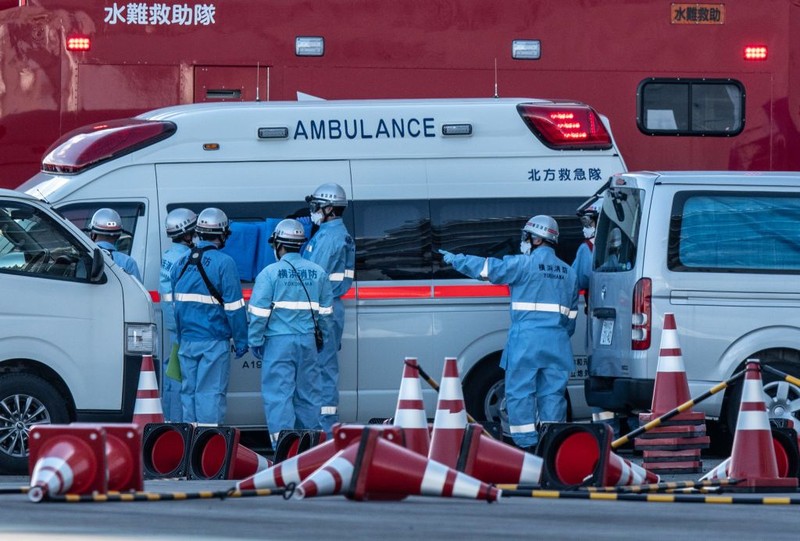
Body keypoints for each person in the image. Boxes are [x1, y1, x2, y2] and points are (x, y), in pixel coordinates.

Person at [439, 215, 578, 451]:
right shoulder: (569, 273)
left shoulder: (523, 265)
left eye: (526, 237)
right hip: (557, 344)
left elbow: (488, 269)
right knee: (553, 396)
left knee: (520, 393)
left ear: (536, 239)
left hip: (527, 342)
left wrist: (456, 260)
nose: (523, 241)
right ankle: (552, 446)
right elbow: (571, 318)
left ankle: (525, 446)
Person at [248, 219, 333, 447]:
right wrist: (321, 340)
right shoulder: (318, 273)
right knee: (309, 395)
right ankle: (310, 449)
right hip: (308, 343)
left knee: (279, 397)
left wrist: (255, 341)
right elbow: (326, 315)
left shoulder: (269, 274)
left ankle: (284, 450)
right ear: (301, 245)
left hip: (277, 344)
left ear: (277, 244)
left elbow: (258, 313)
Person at [170, 207, 248, 424]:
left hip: (186, 342)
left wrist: (180, 338)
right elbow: (234, 308)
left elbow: (176, 306)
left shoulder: (180, 263)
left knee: (189, 394)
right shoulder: (225, 263)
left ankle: (190, 448)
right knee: (210, 395)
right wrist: (241, 341)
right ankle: (209, 448)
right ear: (222, 234)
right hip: (213, 342)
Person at [301, 183, 355, 434]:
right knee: (324, 366)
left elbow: (313, 276)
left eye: (316, 206)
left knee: (322, 369)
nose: (313, 211)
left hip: (322, 310)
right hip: (328, 308)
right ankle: (324, 426)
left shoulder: (330, 237)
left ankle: (324, 429)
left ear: (330, 208)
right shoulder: (331, 233)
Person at [572, 200, 619, 433]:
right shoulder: (631, 245)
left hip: (599, 319)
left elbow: (577, 280)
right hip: (628, 318)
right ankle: (628, 426)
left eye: (590, 221)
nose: (586, 227)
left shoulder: (587, 249)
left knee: (599, 373)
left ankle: (606, 429)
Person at [158, 208, 197, 422]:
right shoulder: (186, 259)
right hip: (185, 328)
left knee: (173, 373)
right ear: (188, 233)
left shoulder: (169, 256)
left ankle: (171, 421)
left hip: (174, 326)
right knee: (182, 378)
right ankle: (178, 424)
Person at [89, 208, 142, 282]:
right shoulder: (128, 262)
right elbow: (137, 292)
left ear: (93, 234)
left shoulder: (86, 256)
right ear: (118, 236)